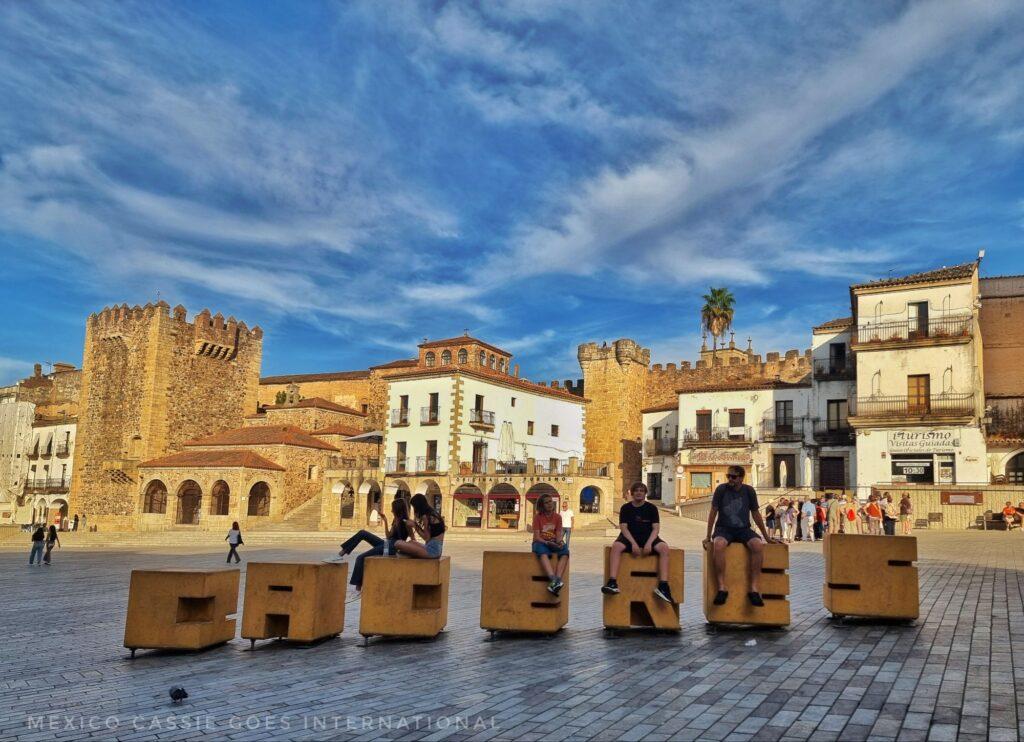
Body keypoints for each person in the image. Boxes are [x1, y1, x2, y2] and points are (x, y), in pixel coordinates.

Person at [704, 465, 778, 606]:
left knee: (757, 545)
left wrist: (766, 537)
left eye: (733, 477)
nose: (730, 479)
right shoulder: (721, 490)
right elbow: (713, 512)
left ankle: (754, 589)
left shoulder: (749, 491)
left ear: (741, 478)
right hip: (723, 528)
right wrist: (708, 536)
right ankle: (721, 588)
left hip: (743, 528)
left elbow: (755, 514)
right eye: (728, 476)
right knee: (719, 545)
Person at [601, 482, 676, 604]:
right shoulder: (625, 508)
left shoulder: (652, 508)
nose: (639, 493)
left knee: (664, 548)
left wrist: (649, 543)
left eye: (641, 491)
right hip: (629, 536)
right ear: (632, 493)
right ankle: (612, 582)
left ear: (645, 494)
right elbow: (623, 528)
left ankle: (663, 586)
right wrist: (633, 544)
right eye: (636, 491)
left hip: (648, 536)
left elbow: (656, 528)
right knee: (616, 547)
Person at [339, 498, 411, 594]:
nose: (391, 510)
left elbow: (406, 539)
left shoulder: (405, 522)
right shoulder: (396, 520)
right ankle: (340, 554)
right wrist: (385, 520)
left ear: (397, 509)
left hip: (393, 547)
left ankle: (357, 589)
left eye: (393, 508)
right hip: (387, 543)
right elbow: (389, 536)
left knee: (360, 558)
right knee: (362, 533)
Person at [532, 493, 569, 595]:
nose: (550, 504)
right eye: (546, 502)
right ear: (541, 505)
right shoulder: (537, 518)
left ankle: (557, 580)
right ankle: (553, 579)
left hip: (553, 541)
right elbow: (537, 536)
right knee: (542, 551)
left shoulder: (557, 517)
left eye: (550, 501)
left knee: (565, 551)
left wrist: (560, 542)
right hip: (540, 542)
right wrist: (547, 542)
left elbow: (558, 533)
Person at [395, 493, 446, 558]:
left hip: (432, 551)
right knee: (411, 542)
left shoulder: (426, 516)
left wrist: (414, 525)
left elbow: (426, 538)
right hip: (434, 549)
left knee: (398, 543)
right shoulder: (433, 513)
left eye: (414, 507)